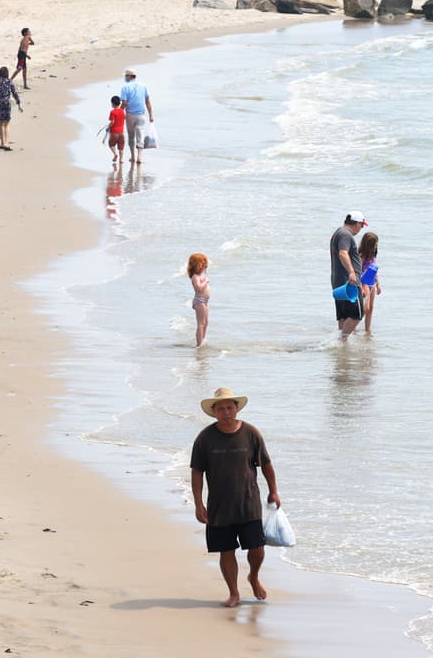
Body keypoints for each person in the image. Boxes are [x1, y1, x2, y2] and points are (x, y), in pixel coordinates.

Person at [190, 387, 279, 608]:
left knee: (257, 548)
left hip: (248, 504)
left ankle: (253, 577)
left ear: (236, 409)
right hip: (219, 507)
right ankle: (234, 593)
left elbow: (266, 464)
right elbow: (197, 472)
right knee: (226, 550)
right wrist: (198, 503)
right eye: (221, 409)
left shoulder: (251, 433)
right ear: (214, 412)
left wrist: (274, 491)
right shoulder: (205, 438)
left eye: (229, 407)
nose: (226, 412)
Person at [329, 211, 367, 338]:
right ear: (357, 224)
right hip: (349, 282)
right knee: (357, 315)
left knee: (344, 316)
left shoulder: (338, 233)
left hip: (338, 281)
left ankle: (340, 344)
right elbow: (343, 253)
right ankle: (342, 340)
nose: (361, 229)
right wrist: (352, 273)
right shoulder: (346, 235)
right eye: (362, 226)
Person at [119, 68, 153, 165]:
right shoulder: (143, 86)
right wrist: (151, 115)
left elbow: (124, 103)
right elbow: (147, 101)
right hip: (141, 115)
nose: (125, 78)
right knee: (140, 135)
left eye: (126, 76)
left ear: (129, 76)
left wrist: (119, 111)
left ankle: (133, 156)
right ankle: (139, 156)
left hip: (130, 115)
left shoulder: (125, 87)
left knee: (131, 136)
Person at [0, 66, 21, 150]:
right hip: (5, 103)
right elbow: (14, 93)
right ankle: (6, 143)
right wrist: (18, 102)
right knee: (6, 124)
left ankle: (2, 142)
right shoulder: (9, 81)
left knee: (0, 123)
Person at [358, 232, 381, 334]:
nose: (376, 246)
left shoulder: (373, 256)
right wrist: (361, 287)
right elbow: (358, 271)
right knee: (365, 308)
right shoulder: (362, 256)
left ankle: (368, 330)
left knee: (371, 308)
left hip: (372, 283)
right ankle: (354, 325)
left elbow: (375, 271)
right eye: (374, 244)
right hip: (364, 283)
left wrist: (378, 285)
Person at [188, 253, 211, 347]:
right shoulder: (195, 277)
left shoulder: (201, 275)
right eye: (204, 264)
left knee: (206, 323)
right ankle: (199, 345)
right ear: (199, 265)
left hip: (205, 302)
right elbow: (199, 289)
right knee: (201, 324)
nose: (206, 266)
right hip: (199, 301)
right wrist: (206, 281)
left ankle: (202, 340)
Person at [107, 95, 126, 164]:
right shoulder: (122, 111)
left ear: (112, 103)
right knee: (121, 147)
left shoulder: (112, 112)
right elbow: (124, 118)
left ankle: (115, 154)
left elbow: (112, 122)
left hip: (114, 132)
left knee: (111, 144)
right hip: (121, 132)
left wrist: (108, 127)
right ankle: (121, 159)